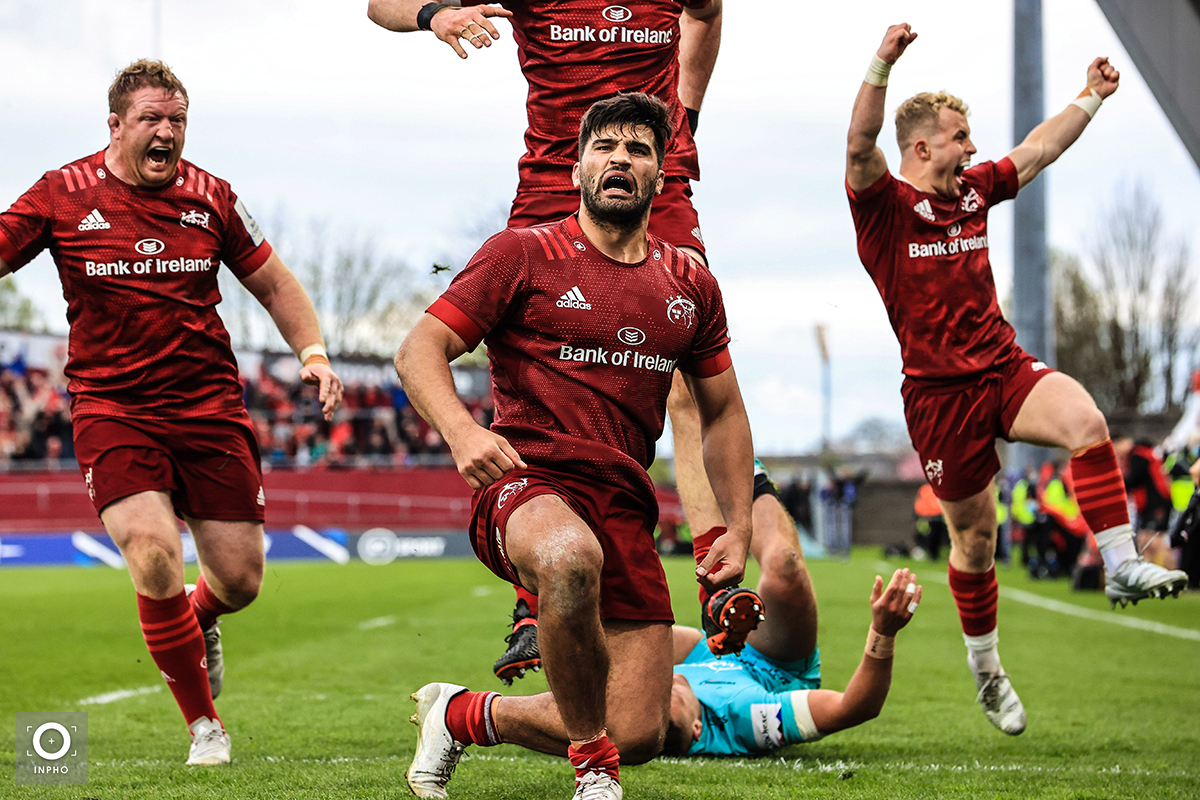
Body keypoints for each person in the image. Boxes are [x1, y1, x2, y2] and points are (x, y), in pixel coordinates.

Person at [365, 0, 774, 681]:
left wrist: (685, 116)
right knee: (533, 365)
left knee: (681, 368)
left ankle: (715, 569)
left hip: (650, 188)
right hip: (557, 185)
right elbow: (381, 6)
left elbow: (706, 11)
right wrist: (435, 16)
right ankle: (534, 590)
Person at [393, 92, 754, 800]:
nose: (620, 159)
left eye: (639, 150)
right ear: (577, 168)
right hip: (526, 484)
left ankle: (461, 714)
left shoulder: (690, 285)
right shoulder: (521, 253)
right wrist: (465, 433)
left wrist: (736, 526)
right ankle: (594, 773)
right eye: (605, 148)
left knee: (643, 730)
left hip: (622, 503)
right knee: (567, 556)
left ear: (662, 175)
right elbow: (419, 350)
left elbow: (725, 414)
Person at [844, 24, 1188, 736]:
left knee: (1087, 424)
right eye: (960, 135)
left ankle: (1121, 561)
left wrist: (1090, 96)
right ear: (922, 148)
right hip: (939, 399)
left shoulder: (973, 192)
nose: (972, 147)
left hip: (1002, 367)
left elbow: (1038, 149)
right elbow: (857, 145)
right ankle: (987, 669)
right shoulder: (883, 210)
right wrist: (882, 62)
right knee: (975, 540)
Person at [0, 60, 344, 765]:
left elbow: (275, 284)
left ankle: (200, 616)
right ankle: (205, 728)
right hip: (112, 405)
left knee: (242, 581)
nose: (167, 132)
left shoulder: (212, 196)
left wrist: (313, 353)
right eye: (153, 119)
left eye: (177, 120)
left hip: (208, 407)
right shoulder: (61, 194)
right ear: (116, 125)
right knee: (153, 552)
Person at [664, 499, 922, 756]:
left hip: (706, 654)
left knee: (641, 632)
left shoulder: (656, 698)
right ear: (697, 729)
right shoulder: (746, 716)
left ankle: (706, 463)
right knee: (783, 566)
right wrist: (883, 633)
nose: (666, 685)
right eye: (673, 695)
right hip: (775, 665)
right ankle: (753, 481)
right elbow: (852, 708)